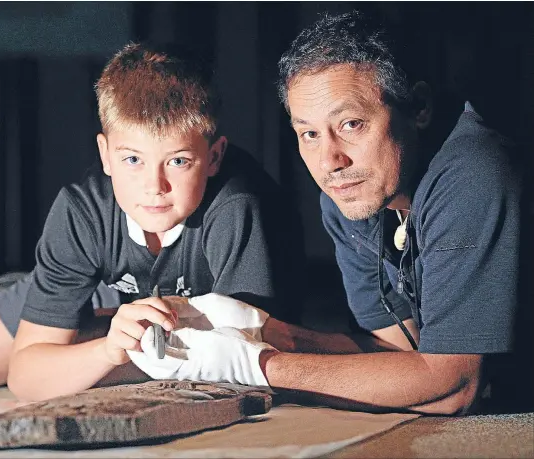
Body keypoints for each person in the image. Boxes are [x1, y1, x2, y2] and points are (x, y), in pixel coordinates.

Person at [130, 10, 523, 415]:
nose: (330, 161)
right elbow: (398, 350)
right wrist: (264, 331)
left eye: (351, 124)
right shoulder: (351, 199)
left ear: (418, 108)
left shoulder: (472, 173)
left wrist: (260, 366)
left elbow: (452, 386)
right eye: (310, 134)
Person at [0, 42, 303, 400]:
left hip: (197, 297)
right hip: (108, 285)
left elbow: (240, 361)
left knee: (179, 351)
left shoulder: (238, 208)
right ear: (105, 156)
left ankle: (97, 320)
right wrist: (105, 349)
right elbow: (27, 377)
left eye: (179, 161)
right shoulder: (83, 211)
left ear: (214, 157)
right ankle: (54, 299)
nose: (155, 187)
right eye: (133, 160)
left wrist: (105, 348)